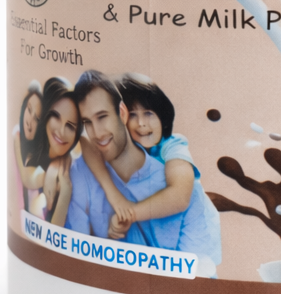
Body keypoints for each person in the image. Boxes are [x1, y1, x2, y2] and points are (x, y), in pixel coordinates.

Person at [82, 74, 222, 268]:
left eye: (148, 113)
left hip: (192, 229)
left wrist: (128, 213)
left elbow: (180, 196)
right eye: (133, 114)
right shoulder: (121, 151)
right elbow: (86, 147)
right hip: (154, 232)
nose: (141, 123)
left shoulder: (172, 145)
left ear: (162, 115)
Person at [32, 79, 80, 226]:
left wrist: (65, 192)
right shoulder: (29, 156)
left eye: (70, 126)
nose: (61, 131)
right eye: (56, 116)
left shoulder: (74, 172)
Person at [11, 80, 44, 215]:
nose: (30, 121)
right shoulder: (17, 135)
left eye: (37, 119)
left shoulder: (38, 152)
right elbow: (26, 179)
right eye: (29, 110)